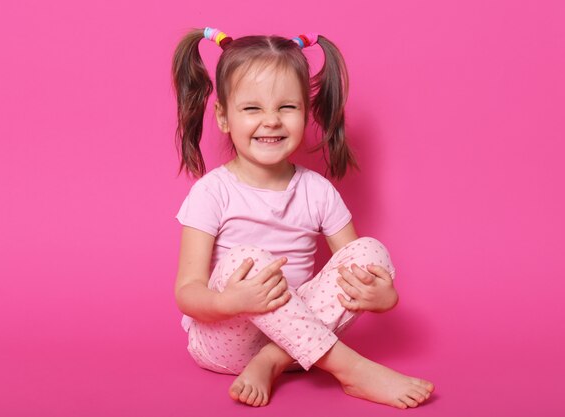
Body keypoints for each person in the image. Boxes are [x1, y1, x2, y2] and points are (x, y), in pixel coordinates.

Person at [171, 27, 434, 408]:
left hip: (299, 345)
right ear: (224, 117)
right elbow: (187, 293)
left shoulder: (318, 190)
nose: (272, 121)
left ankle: (272, 361)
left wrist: (384, 297)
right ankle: (352, 370)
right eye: (252, 108)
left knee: (370, 250)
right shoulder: (212, 192)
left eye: (286, 107)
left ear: (305, 113)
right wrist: (231, 302)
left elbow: (352, 266)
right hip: (225, 343)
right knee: (250, 260)